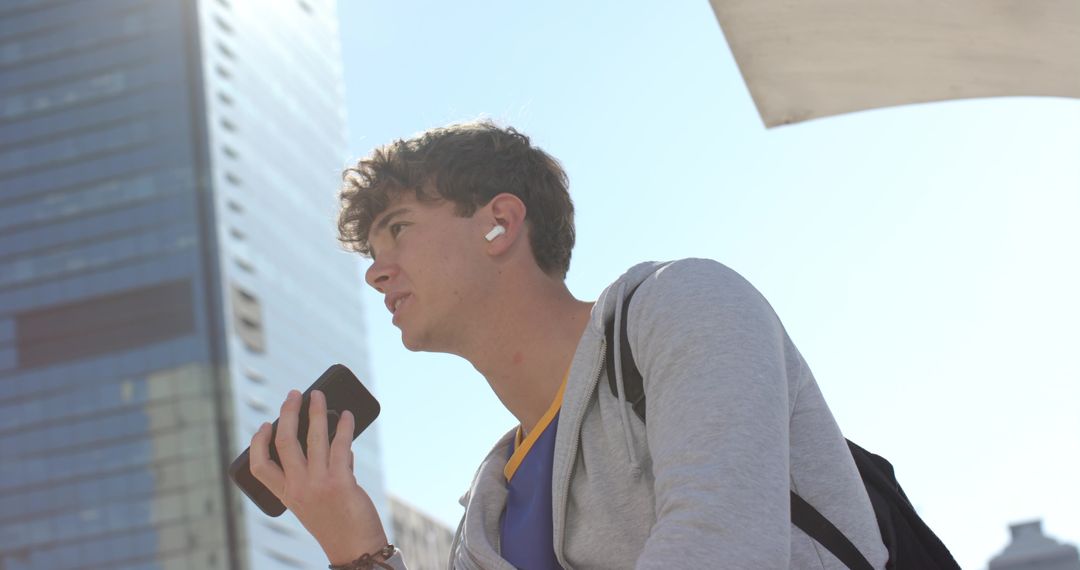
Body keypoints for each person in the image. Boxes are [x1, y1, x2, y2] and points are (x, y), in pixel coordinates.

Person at [248, 121, 889, 569]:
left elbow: (723, 552)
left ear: (500, 224)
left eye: (399, 229)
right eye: (373, 251)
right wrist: (356, 548)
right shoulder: (485, 522)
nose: (375, 271)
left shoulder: (682, 306)